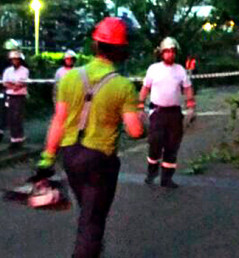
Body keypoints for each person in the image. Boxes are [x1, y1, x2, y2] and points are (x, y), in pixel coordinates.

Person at [32, 17, 143, 257]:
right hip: (100, 160)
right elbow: (135, 131)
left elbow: (58, 120)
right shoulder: (123, 86)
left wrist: (46, 159)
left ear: (95, 44)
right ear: (121, 49)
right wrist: (141, 116)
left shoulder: (70, 78)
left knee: (88, 212)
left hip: (70, 157)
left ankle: (91, 249)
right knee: (92, 221)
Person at [138, 37, 196, 188]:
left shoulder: (180, 70)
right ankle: (151, 173)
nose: (170, 55)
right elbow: (145, 88)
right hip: (158, 112)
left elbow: (187, 88)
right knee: (155, 143)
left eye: (173, 52)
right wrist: (140, 105)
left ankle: (167, 178)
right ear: (161, 53)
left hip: (174, 114)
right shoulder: (153, 69)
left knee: (172, 146)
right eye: (167, 52)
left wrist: (191, 106)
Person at [2, 50, 29, 149]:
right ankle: (13, 138)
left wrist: (13, 85)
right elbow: (4, 82)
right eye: (13, 60)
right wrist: (12, 86)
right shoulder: (8, 71)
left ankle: (19, 138)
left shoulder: (24, 70)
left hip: (19, 96)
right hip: (10, 96)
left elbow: (21, 83)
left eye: (17, 60)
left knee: (17, 117)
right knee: (10, 117)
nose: (15, 61)